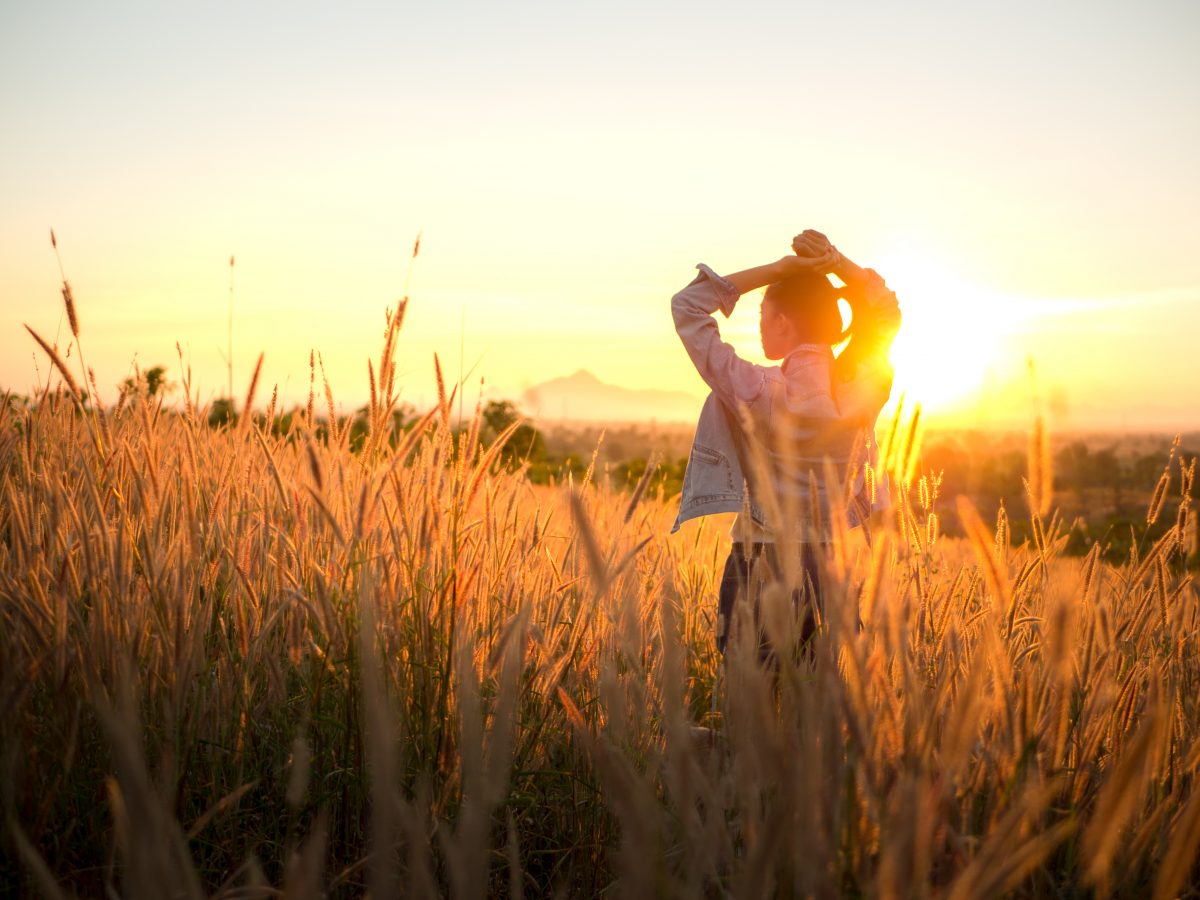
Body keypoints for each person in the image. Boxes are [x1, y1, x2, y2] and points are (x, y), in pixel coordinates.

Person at [670, 230, 901, 662]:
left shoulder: (755, 389)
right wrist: (834, 262)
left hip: (759, 565)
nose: (759, 325)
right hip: (829, 571)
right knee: (813, 718)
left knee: (749, 716)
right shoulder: (862, 388)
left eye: (763, 314)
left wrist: (779, 270)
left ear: (783, 323)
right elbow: (886, 312)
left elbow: (687, 305)